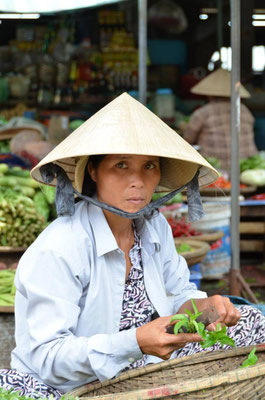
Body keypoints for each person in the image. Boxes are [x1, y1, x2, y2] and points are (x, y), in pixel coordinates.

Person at [0, 93, 264, 399]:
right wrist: (134, 342)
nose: (137, 180)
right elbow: (47, 357)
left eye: (149, 166)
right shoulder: (61, 246)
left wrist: (204, 308)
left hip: (145, 367)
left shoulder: (152, 226)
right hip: (74, 385)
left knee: (256, 321)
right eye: (121, 165)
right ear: (93, 171)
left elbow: (179, 293)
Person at [183, 68, 258, 171]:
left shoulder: (203, 113)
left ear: (210, 95)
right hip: (245, 167)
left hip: (215, 170)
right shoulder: (245, 110)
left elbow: (187, 140)